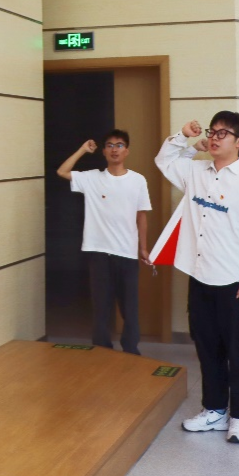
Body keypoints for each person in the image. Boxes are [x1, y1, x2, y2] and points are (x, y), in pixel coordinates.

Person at [156, 112, 239, 444]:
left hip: (235, 282)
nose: (214, 137)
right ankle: (215, 410)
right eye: (213, 131)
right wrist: (183, 136)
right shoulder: (195, 171)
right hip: (200, 276)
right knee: (207, 348)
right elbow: (164, 160)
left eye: (224, 133)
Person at [56, 130, 152, 355]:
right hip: (98, 252)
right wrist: (82, 149)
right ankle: (102, 351)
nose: (114, 149)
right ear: (103, 151)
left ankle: (131, 350)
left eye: (119, 145)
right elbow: (62, 171)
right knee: (101, 307)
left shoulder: (138, 180)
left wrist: (143, 248)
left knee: (129, 308)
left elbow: (141, 216)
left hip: (127, 252)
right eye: (109, 145)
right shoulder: (92, 178)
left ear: (127, 151)